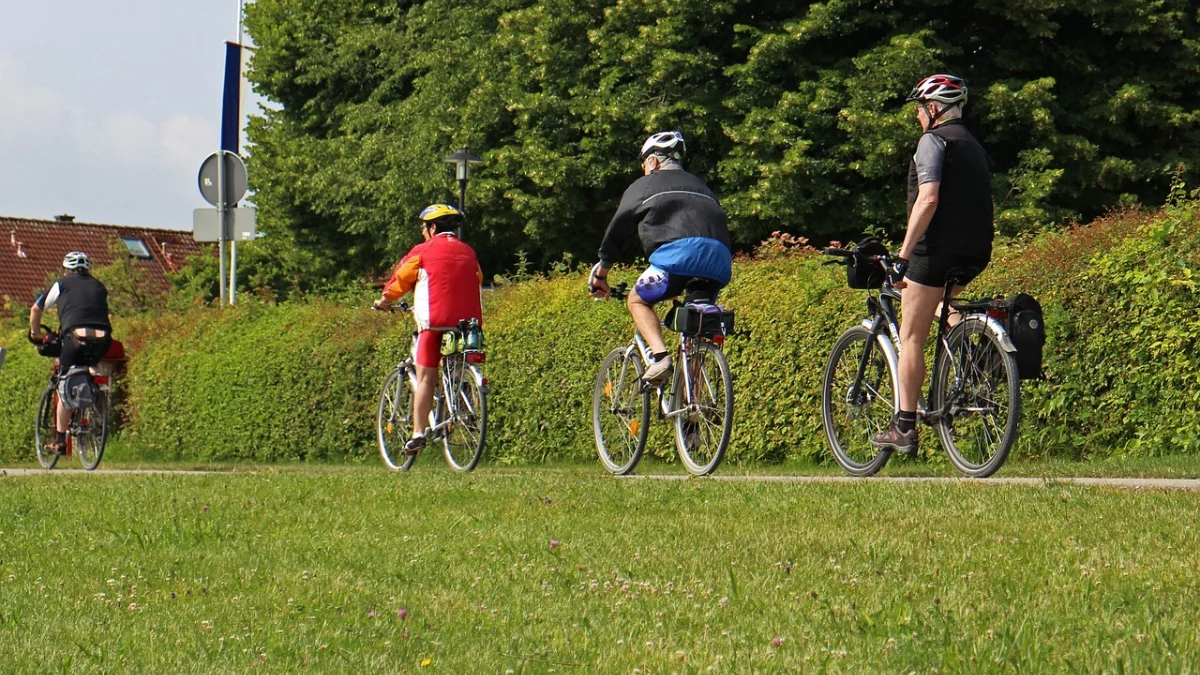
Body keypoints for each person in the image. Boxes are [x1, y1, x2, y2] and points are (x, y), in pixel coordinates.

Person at [871, 74, 995, 453]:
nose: (918, 118)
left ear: (934, 109)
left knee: (911, 336)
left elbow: (928, 200)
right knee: (943, 304)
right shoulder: (974, 145)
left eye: (920, 110)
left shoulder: (932, 141)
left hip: (934, 251)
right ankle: (971, 351)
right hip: (976, 250)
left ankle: (904, 426)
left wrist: (904, 256)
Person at [588, 131, 733, 381]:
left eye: (644, 164)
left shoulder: (646, 185)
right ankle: (694, 412)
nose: (645, 169)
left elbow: (618, 228)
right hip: (718, 260)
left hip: (678, 256)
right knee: (696, 327)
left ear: (653, 161)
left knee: (637, 301)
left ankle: (660, 357)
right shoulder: (702, 186)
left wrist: (602, 270)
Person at [373, 204, 483, 455]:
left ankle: (418, 433)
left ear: (432, 228)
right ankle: (462, 400)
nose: (423, 233)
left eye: (424, 228)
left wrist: (384, 301)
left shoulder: (422, 252)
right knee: (455, 365)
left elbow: (399, 281)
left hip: (433, 323)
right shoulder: (468, 252)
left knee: (425, 378)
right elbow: (476, 278)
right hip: (468, 325)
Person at [28, 251, 113, 455]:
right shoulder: (99, 286)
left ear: (66, 269)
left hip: (74, 338)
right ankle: (94, 393)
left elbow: (35, 309)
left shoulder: (61, 284)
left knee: (63, 384)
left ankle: (59, 441)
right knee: (89, 363)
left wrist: (36, 334)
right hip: (103, 340)